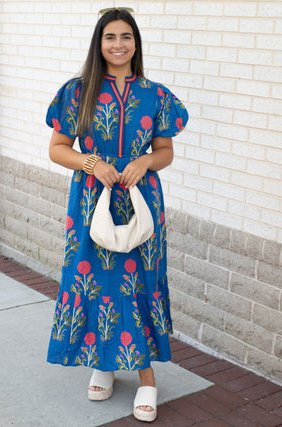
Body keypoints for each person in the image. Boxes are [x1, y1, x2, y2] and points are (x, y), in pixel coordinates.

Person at [46, 7, 188, 423]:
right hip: (91, 201)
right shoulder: (77, 91)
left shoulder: (155, 94)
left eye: (127, 36)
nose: (119, 44)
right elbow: (57, 148)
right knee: (93, 281)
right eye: (110, 37)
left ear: (136, 43)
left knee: (139, 282)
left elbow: (165, 151)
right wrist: (92, 164)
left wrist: (145, 163)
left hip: (141, 201)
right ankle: (104, 363)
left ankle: (146, 379)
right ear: (99, 42)